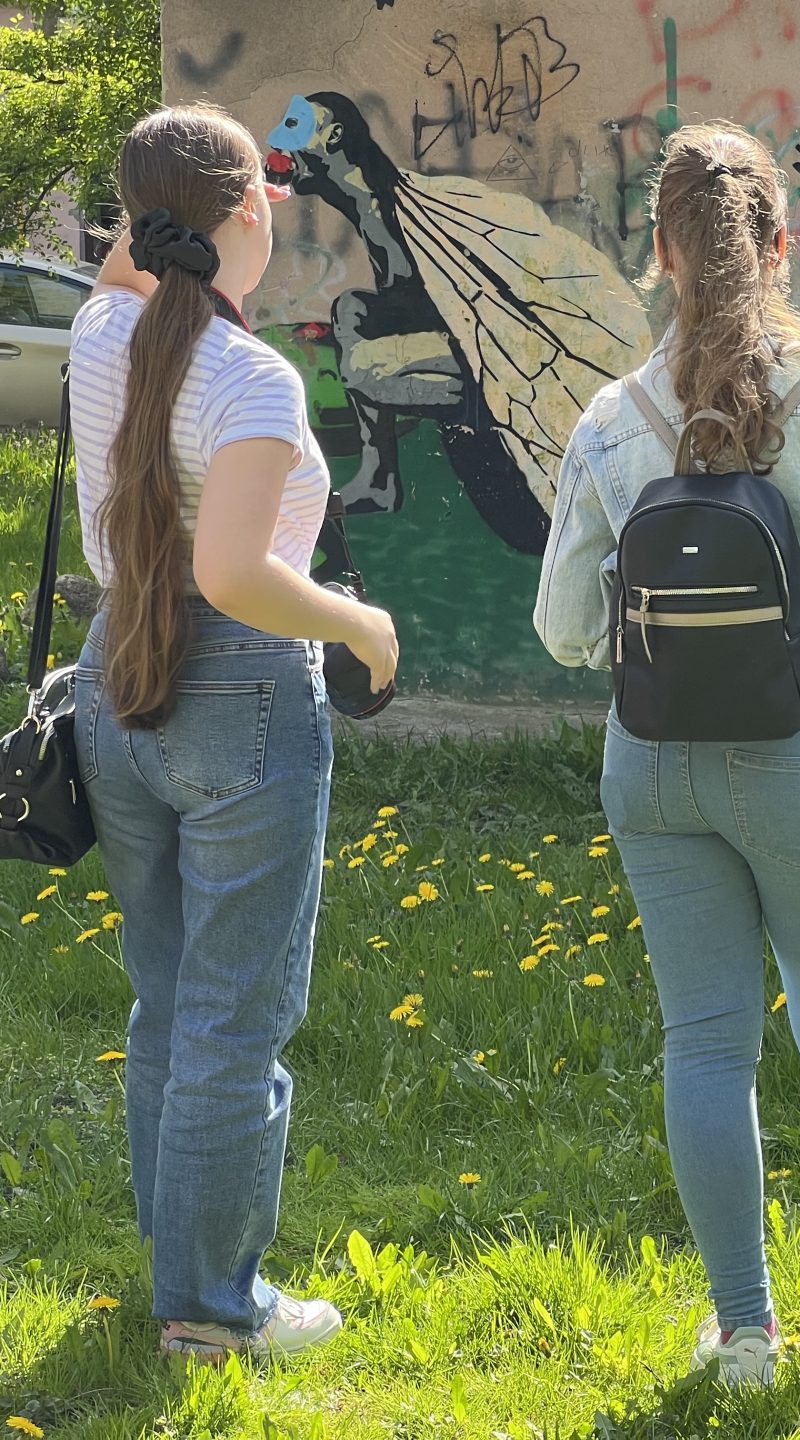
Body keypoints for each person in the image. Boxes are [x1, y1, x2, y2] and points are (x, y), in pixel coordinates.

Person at [534, 121, 800, 1387]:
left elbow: (566, 632)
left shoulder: (611, 421)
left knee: (705, 1043)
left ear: (662, 254)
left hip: (652, 764)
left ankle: (742, 1329)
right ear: (782, 244)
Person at [68, 105, 399, 1363]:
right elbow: (239, 574)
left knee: (170, 1004)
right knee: (232, 1021)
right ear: (252, 211)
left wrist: (158, 202)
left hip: (117, 680)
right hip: (240, 694)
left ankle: (180, 1275)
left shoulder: (105, 328)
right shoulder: (251, 375)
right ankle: (211, 1308)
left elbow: (124, 267)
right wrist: (362, 623)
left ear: (134, 221)